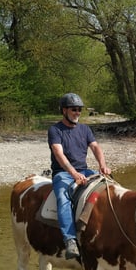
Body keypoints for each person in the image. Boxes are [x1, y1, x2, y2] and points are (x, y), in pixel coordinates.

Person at [48, 93, 111, 259]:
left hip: (85, 171)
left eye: (79, 110)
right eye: (74, 109)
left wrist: (102, 165)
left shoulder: (85, 129)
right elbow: (58, 154)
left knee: (109, 186)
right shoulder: (55, 130)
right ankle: (70, 240)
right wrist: (73, 173)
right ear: (64, 110)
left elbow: (96, 147)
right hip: (63, 173)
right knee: (63, 197)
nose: (77, 112)